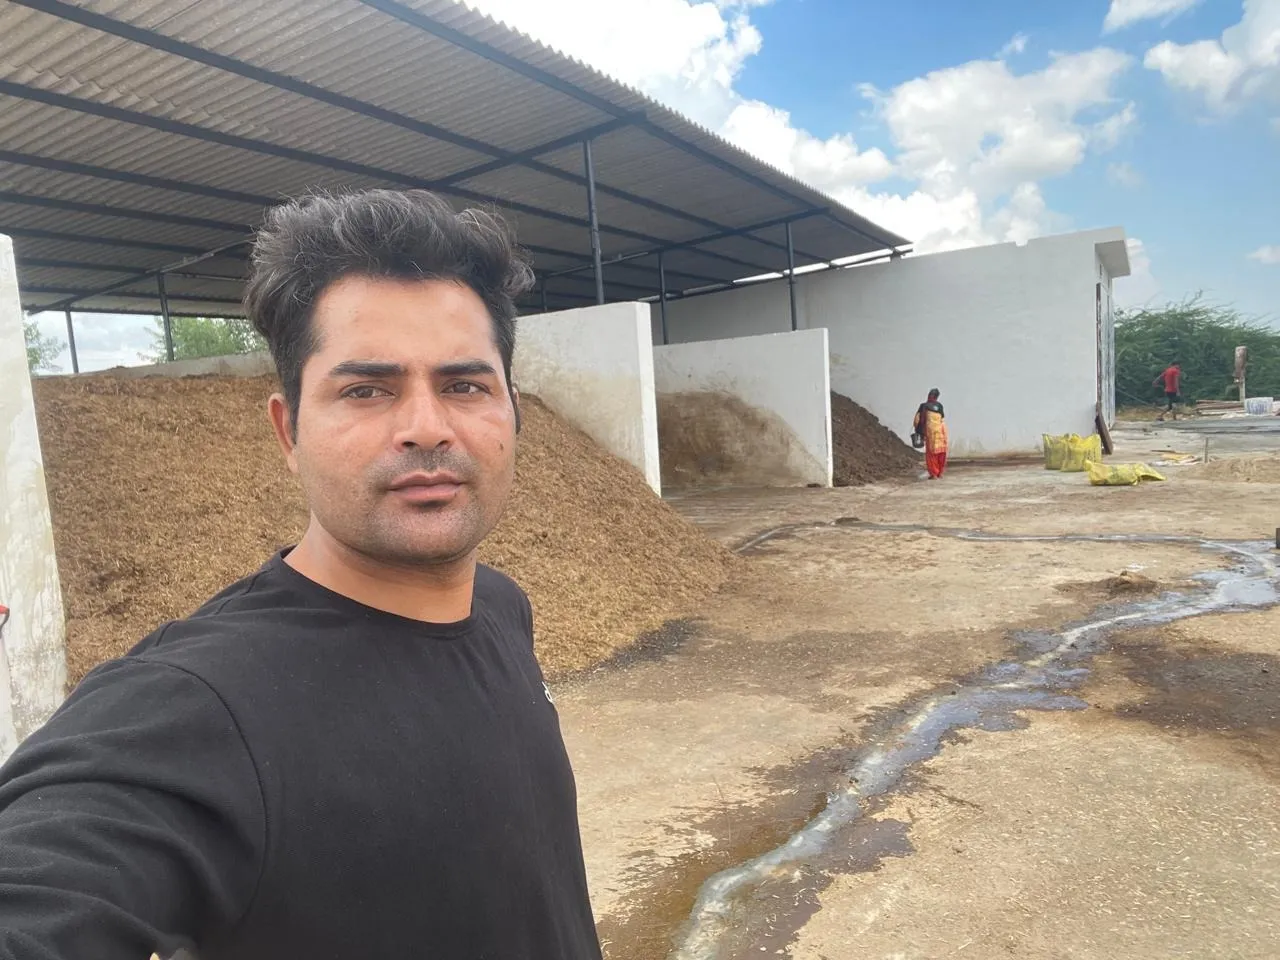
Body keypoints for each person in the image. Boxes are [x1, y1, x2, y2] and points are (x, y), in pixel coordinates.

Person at [0, 190, 603, 960]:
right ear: (288, 433)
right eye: (366, 390)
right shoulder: (193, 708)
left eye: (464, 385)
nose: (426, 427)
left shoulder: (500, 608)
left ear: (512, 413)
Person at [913, 388, 949, 479]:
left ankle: (934, 474)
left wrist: (919, 431)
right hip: (941, 431)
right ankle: (940, 473)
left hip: (931, 432)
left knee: (931, 453)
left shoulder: (924, 406)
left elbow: (917, 420)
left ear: (929, 395)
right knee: (941, 452)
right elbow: (942, 418)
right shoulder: (940, 406)